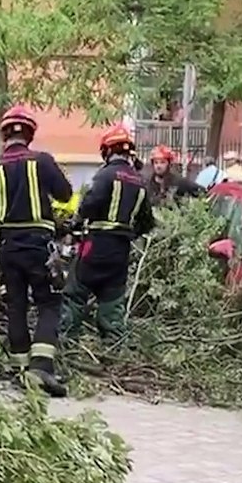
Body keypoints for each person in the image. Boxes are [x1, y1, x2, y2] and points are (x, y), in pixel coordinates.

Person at [0, 104, 74, 396]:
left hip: (8, 248)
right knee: (49, 303)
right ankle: (41, 367)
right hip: (39, 245)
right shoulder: (42, 161)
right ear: (30, 134)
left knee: (15, 305)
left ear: (5, 135)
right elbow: (66, 195)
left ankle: (20, 370)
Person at [60, 124, 156, 342]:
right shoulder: (140, 182)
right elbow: (147, 222)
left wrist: (74, 223)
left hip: (96, 245)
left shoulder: (105, 176)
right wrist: (130, 234)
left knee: (76, 292)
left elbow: (89, 205)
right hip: (121, 251)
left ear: (108, 150)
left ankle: (67, 343)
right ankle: (113, 349)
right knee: (112, 300)